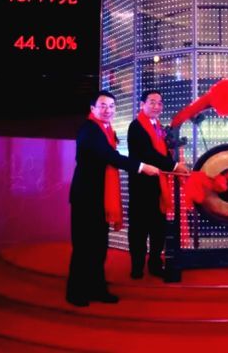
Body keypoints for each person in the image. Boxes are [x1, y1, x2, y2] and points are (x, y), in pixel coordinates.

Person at [66, 90, 160, 307]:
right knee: (84, 247)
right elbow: (109, 156)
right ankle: (75, 292)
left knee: (99, 247)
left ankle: (97, 288)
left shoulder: (106, 130)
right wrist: (141, 166)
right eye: (103, 105)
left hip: (100, 198)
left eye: (111, 106)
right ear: (92, 108)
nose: (107, 110)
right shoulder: (90, 130)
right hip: (86, 197)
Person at [128, 90, 189, 279]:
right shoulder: (136, 126)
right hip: (141, 186)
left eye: (159, 103)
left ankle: (155, 263)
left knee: (158, 228)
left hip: (159, 184)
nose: (157, 106)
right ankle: (137, 266)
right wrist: (174, 165)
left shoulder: (158, 127)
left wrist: (174, 151)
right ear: (142, 105)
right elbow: (148, 154)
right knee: (139, 229)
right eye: (152, 102)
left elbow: (162, 152)